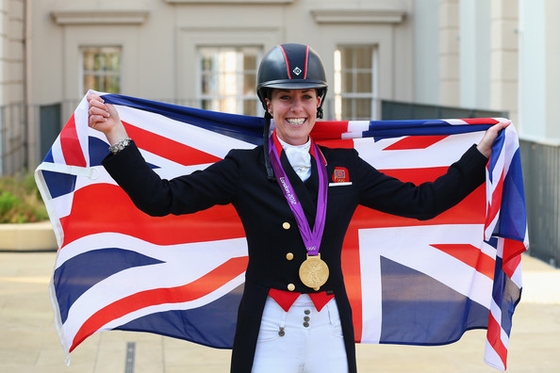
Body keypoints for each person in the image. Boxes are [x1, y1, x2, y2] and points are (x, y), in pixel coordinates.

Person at [87, 43, 509, 373]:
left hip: (330, 327)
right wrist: (116, 136)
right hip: (270, 326)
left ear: (318, 103)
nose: (296, 108)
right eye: (284, 97)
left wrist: (479, 155)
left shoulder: (346, 168)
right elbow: (162, 199)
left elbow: (424, 203)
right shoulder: (243, 168)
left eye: (306, 96)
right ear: (267, 104)